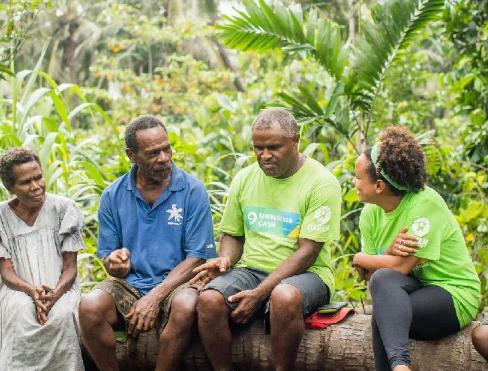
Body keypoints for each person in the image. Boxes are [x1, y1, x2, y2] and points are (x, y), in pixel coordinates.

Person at [192, 108, 342, 371]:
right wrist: (225, 258)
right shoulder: (245, 178)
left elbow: (307, 253)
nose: (264, 155)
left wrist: (261, 294)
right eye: (258, 148)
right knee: (209, 300)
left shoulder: (321, 183)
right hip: (252, 270)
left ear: (295, 141)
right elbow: (233, 235)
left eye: (274, 147)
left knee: (283, 296)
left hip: (308, 274)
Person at [79, 115, 216, 371]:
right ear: (131, 155)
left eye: (167, 148)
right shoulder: (113, 195)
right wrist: (116, 264)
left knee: (186, 305)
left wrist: (155, 297)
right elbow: (110, 260)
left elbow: (196, 258)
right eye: (153, 153)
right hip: (130, 286)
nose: (164, 157)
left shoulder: (192, 191)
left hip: (177, 284)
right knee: (89, 307)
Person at [352, 126, 481, 371]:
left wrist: (362, 257)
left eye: (358, 177)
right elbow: (372, 277)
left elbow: (399, 266)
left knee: (384, 311)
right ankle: (400, 367)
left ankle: (399, 366)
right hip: (410, 289)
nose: (353, 182)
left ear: (379, 186)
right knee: (383, 286)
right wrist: (384, 255)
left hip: (452, 293)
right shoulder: (369, 214)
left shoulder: (424, 203)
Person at [0, 148, 85, 370]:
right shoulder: (1, 217)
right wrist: (31, 291)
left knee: (63, 315)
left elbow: (70, 268)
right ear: (11, 188)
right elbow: (6, 272)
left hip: (62, 287)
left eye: (38, 177)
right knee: (18, 313)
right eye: (26, 182)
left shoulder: (63, 208)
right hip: (18, 289)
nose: (36, 186)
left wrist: (55, 294)